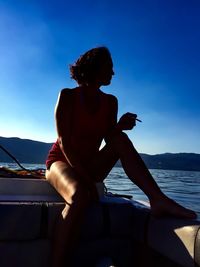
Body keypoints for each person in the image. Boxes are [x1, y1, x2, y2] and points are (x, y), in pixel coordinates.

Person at [45, 47, 196, 267]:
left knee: (121, 140)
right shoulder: (67, 96)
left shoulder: (110, 102)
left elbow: (110, 139)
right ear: (94, 68)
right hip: (62, 162)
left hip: (90, 164)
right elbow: (64, 142)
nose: (113, 73)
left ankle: (157, 199)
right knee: (79, 196)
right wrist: (87, 181)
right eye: (109, 67)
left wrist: (120, 126)